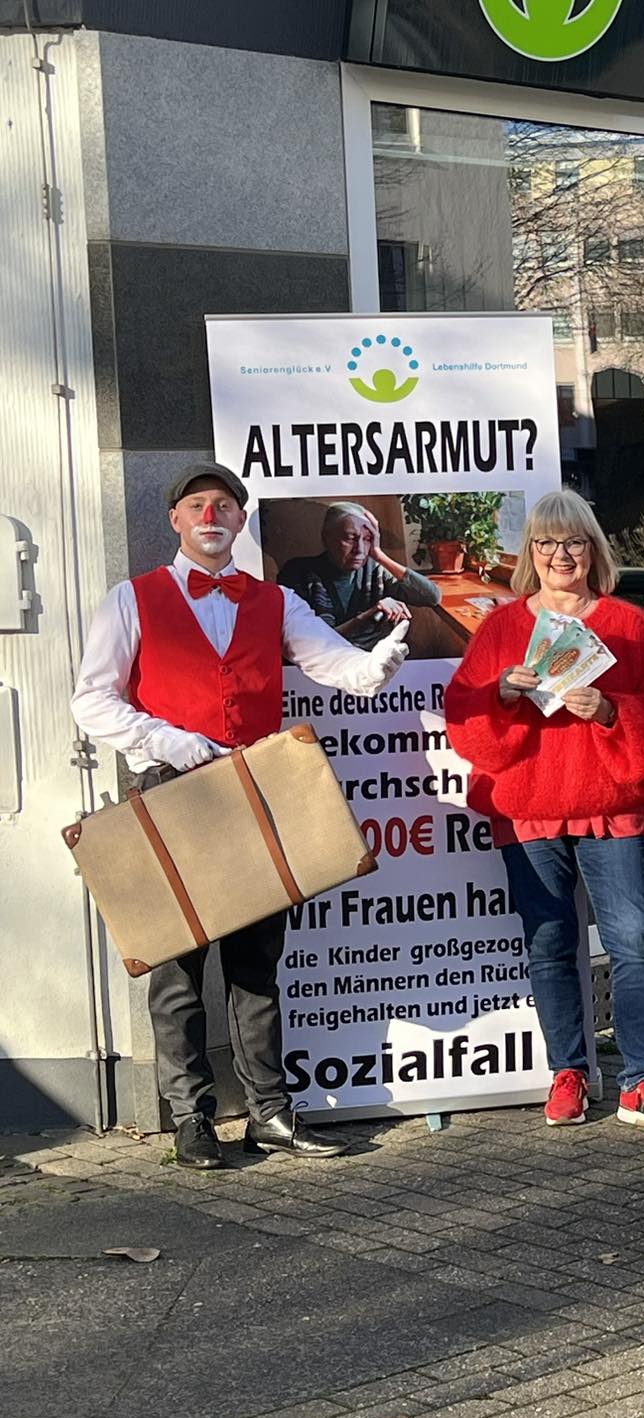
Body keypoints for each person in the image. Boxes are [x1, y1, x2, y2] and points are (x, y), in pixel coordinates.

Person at [70, 463, 411, 1170]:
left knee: (258, 963)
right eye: (197, 504)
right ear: (176, 520)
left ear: (239, 519)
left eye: (224, 505)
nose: (211, 515)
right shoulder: (131, 600)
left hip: (257, 790)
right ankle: (190, 1118)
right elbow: (92, 700)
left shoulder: (274, 600)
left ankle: (270, 1114)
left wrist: (374, 668)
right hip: (172, 792)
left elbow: (333, 663)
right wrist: (172, 740)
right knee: (178, 968)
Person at [443, 490, 644, 1135]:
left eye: (573, 542)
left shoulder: (627, 622)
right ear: (530, 553)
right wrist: (499, 692)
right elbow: (464, 718)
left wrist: (609, 712)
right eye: (546, 544)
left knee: (633, 943)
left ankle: (643, 1080)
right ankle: (567, 1072)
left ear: (592, 550)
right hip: (530, 810)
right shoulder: (500, 628)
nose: (560, 555)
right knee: (549, 943)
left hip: (609, 806)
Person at [277, 501, 441, 649]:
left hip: (371, 662)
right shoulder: (297, 572)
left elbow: (432, 596)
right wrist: (369, 614)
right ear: (326, 538)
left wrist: (379, 555)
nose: (360, 550)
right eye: (350, 538)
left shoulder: (375, 569)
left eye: (368, 539)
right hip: (322, 665)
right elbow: (316, 642)